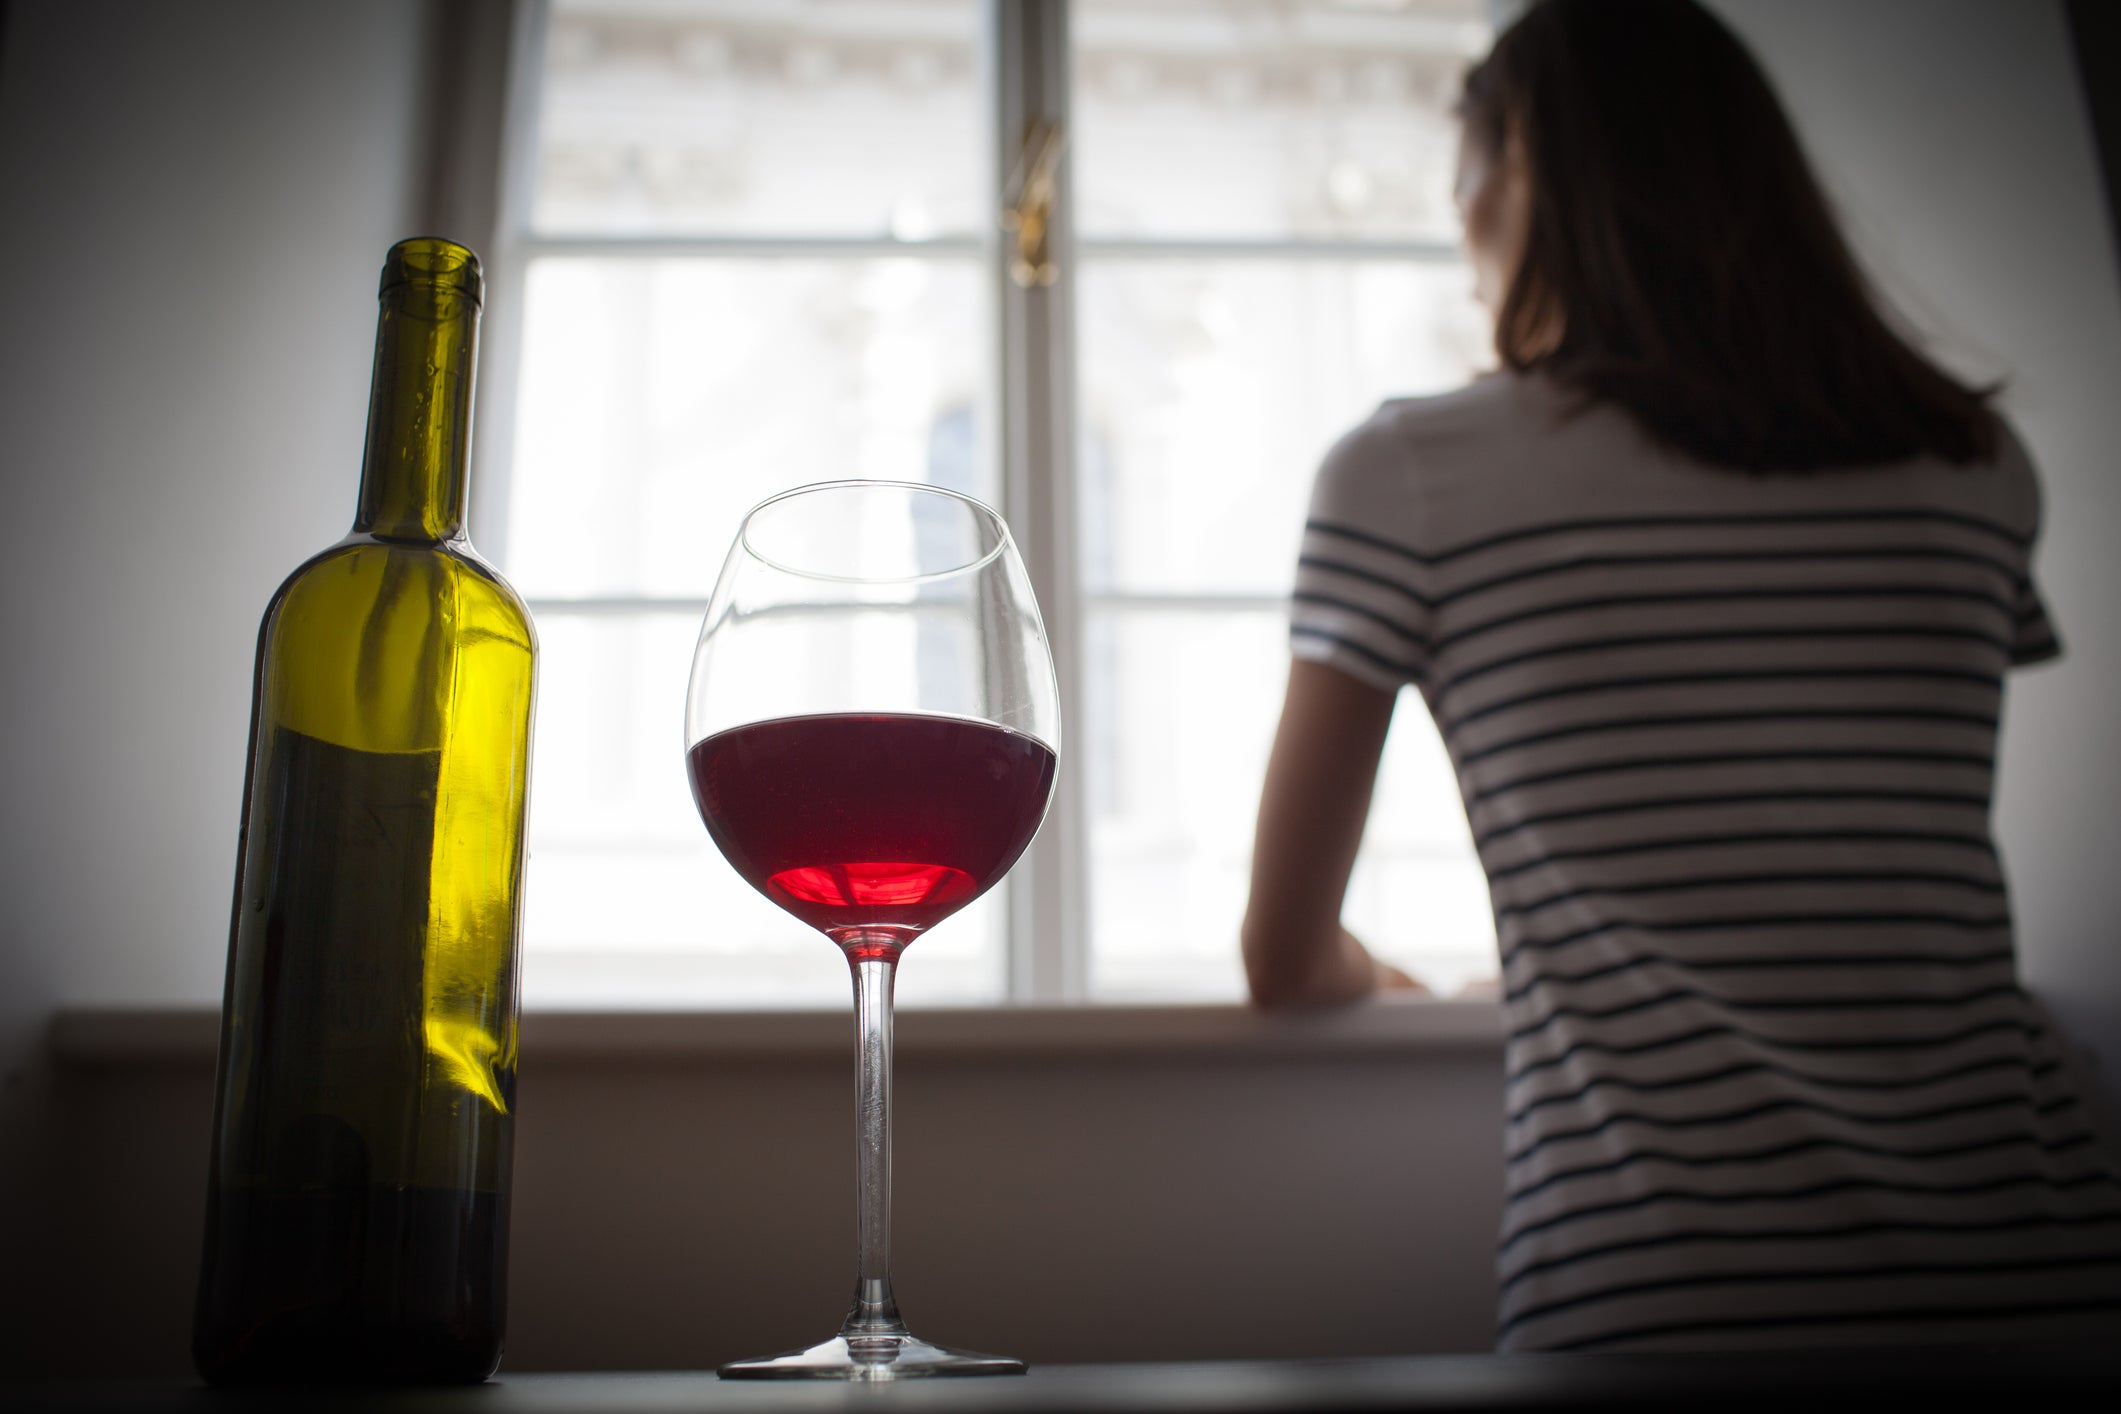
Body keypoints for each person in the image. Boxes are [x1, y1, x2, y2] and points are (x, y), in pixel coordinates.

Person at [1240, 0, 2121, 1352]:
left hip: (1662, 1291)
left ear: (1521, 168)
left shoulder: (1410, 476)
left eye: (1463, 172)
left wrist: (1455, 978)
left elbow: (1284, 958)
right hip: (2042, 1275)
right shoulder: (1972, 465)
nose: (1457, 223)